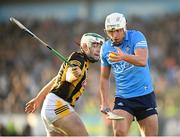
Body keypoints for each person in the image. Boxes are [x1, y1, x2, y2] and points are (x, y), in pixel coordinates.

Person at [25, 33, 105, 136]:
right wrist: (74, 75)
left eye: (100, 46)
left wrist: (38, 99)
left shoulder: (84, 63)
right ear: (85, 46)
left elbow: (56, 80)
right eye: (94, 46)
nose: (98, 49)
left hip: (49, 106)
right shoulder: (79, 58)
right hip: (58, 106)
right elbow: (69, 76)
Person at [99, 12, 158, 136]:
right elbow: (104, 78)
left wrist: (123, 56)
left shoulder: (137, 37)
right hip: (123, 98)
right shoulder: (105, 48)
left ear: (124, 27)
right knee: (119, 133)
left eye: (117, 31)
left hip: (145, 95)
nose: (114, 35)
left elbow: (142, 60)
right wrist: (104, 101)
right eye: (111, 31)